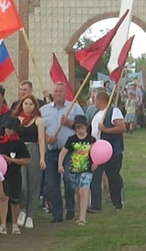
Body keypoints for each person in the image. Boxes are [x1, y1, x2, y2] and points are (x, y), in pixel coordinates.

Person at [40, 82, 84, 223]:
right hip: (52, 151)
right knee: (52, 184)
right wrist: (47, 138)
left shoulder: (74, 108)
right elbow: (39, 131)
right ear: (53, 93)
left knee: (69, 180)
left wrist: (70, 123)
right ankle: (57, 213)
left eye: (61, 91)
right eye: (56, 91)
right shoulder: (44, 110)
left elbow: (83, 127)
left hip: (69, 151)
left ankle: (70, 207)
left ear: (66, 93)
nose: (58, 93)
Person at [0, 116, 30, 235]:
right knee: (3, 198)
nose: (8, 130)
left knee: (15, 200)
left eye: (11, 128)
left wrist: (12, 160)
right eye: (6, 128)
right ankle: (2, 224)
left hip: (15, 174)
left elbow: (27, 160)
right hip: (1, 177)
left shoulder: (19, 144)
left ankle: (15, 224)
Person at [90, 90, 126, 211]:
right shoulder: (97, 113)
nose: (93, 101)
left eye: (94, 99)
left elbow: (121, 127)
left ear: (99, 100)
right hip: (98, 151)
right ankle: (96, 204)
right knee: (95, 176)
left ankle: (118, 202)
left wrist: (105, 130)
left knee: (113, 177)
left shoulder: (113, 111)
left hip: (112, 151)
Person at [57, 115, 95, 225]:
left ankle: (83, 217)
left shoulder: (91, 139)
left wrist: (95, 163)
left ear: (86, 127)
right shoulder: (71, 139)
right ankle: (79, 214)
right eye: (78, 128)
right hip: (74, 169)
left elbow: (96, 152)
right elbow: (63, 153)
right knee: (78, 192)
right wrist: (60, 164)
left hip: (87, 169)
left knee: (84, 190)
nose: (80, 130)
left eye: (82, 127)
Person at [15, 94, 46, 230]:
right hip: (20, 151)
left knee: (34, 183)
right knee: (22, 183)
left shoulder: (38, 120)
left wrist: (42, 158)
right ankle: (22, 209)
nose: (28, 107)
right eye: (26, 104)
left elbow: (41, 140)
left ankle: (31, 215)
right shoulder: (17, 120)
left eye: (31, 104)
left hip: (33, 150)